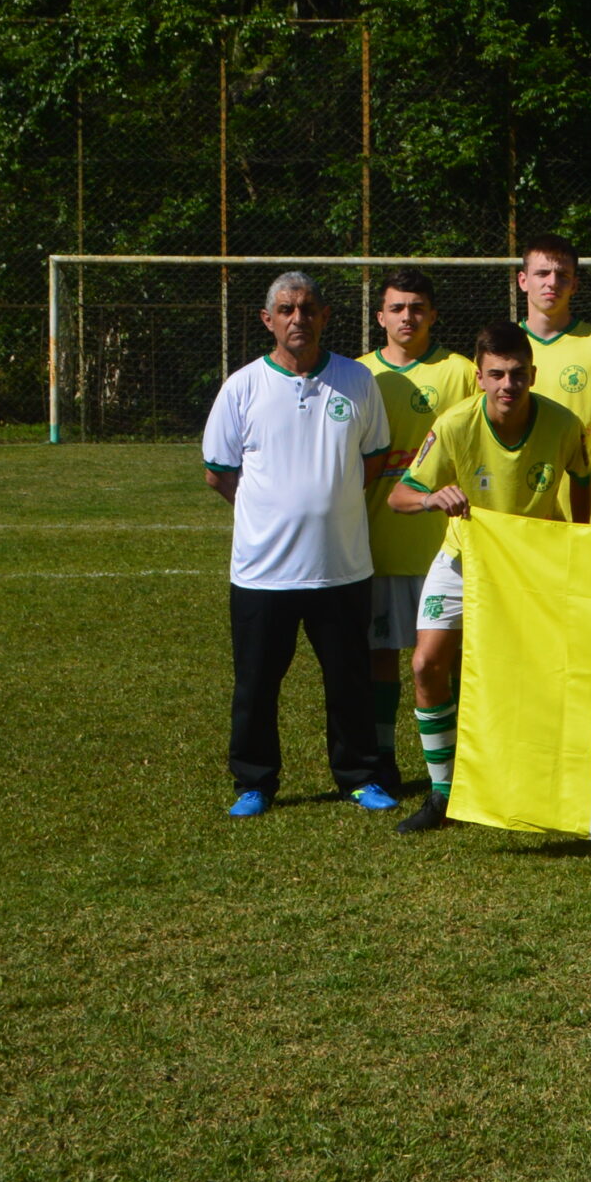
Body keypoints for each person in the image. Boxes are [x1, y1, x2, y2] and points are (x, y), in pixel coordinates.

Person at [200, 271, 397, 818]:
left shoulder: (357, 381)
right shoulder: (242, 386)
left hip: (341, 566)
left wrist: (325, 506)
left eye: (308, 309)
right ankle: (254, 782)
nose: (297, 319)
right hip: (264, 572)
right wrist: (272, 514)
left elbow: (374, 459)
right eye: (285, 310)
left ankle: (359, 775)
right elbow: (219, 472)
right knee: (257, 685)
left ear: (325, 317)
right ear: (268, 320)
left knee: (350, 679)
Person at [384, 320, 591, 832]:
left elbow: (583, 482)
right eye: (496, 374)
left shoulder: (565, 425)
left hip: (533, 567)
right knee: (426, 664)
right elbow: (399, 495)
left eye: (518, 374)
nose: (508, 385)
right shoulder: (455, 424)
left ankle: (547, 784)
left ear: (533, 374)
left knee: (546, 677)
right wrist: (433, 497)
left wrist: (571, 539)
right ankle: (442, 793)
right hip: (464, 558)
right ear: (478, 377)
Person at [362, 269, 480, 792]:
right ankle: (383, 757)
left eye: (418, 307)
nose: (407, 317)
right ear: (380, 316)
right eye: (398, 308)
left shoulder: (459, 372)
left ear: (433, 314)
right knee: (382, 653)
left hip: (448, 546)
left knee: (450, 658)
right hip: (378, 537)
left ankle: (461, 764)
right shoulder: (361, 375)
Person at [519, 232, 591, 489]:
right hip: (519, 508)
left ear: (574, 285)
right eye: (542, 274)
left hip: (587, 507)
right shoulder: (501, 350)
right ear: (523, 281)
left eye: (562, 275)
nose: (552, 282)